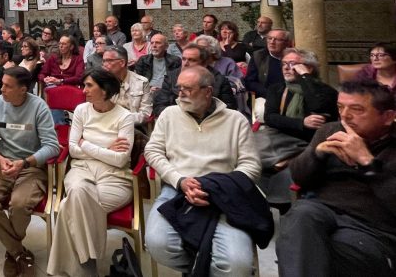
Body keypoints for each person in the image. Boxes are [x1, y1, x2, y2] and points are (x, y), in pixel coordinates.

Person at [145, 66, 264, 277]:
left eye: (187, 89)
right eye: (179, 87)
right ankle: (199, 268)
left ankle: (201, 267)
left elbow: (251, 165)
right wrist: (179, 180)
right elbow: (153, 151)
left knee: (238, 265)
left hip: (225, 195)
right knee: (157, 244)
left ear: (208, 91)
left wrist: (218, 186)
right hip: (178, 189)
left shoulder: (235, 120)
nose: (180, 93)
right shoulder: (169, 115)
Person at [275, 82, 396, 277]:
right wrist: (316, 155)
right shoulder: (331, 130)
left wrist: (368, 162)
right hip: (322, 210)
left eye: (357, 109)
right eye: (340, 107)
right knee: (300, 216)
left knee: (306, 249)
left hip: (371, 227)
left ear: (387, 117)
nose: (345, 116)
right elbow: (299, 178)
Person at [48, 69, 135, 277]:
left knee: (68, 206)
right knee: (77, 195)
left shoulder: (125, 117)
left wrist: (86, 144)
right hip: (81, 169)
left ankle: (81, 271)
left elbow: (121, 159)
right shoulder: (81, 110)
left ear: (104, 90)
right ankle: (88, 265)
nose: (83, 90)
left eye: (89, 86)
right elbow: (72, 149)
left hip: (115, 176)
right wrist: (106, 149)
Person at [0, 66, 60, 277]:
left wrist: (24, 163)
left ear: (23, 89)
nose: (2, 89)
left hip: (31, 167)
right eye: (2, 84)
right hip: (3, 163)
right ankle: (18, 252)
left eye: (7, 86)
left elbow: (52, 146)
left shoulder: (39, 107)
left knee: (20, 204)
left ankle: (11, 252)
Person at [256, 48, 338, 208]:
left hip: (309, 143)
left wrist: (305, 77)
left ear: (309, 68)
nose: (286, 68)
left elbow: (318, 107)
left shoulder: (325, 92)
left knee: (286, 173)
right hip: (279, 139)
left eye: (293, 64)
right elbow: (271, 118)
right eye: (284, 64)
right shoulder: (277, 88)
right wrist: (301, 123)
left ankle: (282, 205)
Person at [154, 43, 238, 116]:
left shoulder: (219, 80)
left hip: (208, 122)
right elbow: (159, 106)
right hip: (178, 120)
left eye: (191, 60)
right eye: (184, 59)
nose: (185, 63)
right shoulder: (171, 77)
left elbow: (229, 109)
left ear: (204, 64)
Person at [246, 28, 291, 95]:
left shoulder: (293, 58)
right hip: (265, 95)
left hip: (290, 94)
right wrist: (268, 93)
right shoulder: (258, 56)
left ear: (287, 43)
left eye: (277, 39)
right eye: (269, 38)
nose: (272, 42)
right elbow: (250, 81)